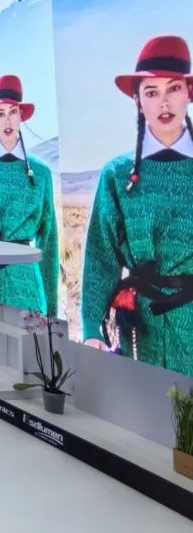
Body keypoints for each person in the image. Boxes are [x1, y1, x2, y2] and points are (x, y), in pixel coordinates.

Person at [81, 36, 193, 377]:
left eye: (173, 88)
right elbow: (101, 256)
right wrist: (91, 328)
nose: (164, 102)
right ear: (139, 101)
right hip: (138, 327)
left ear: (188, 94)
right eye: (151, 92)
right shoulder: (117, 175)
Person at [0, 75, 60, 316]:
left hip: (28, 280)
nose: (7, 120)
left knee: (29, 338)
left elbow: (49, 240)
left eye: (13, 112)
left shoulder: (41, 173)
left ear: (21, 116)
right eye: (0, 113)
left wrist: (52, 306)